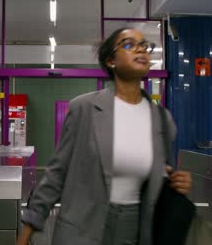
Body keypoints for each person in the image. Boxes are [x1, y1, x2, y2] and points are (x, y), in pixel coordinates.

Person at [18, 28, 192, 245]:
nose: (141, 49)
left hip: (136, 230)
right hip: (82, 228)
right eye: (129, 44)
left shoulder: (161, 119)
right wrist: (28, 230)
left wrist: (176, 181)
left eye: (145, 45)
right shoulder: (85, 109)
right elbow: (57, 173)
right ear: (111, 60)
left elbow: (162, 173)